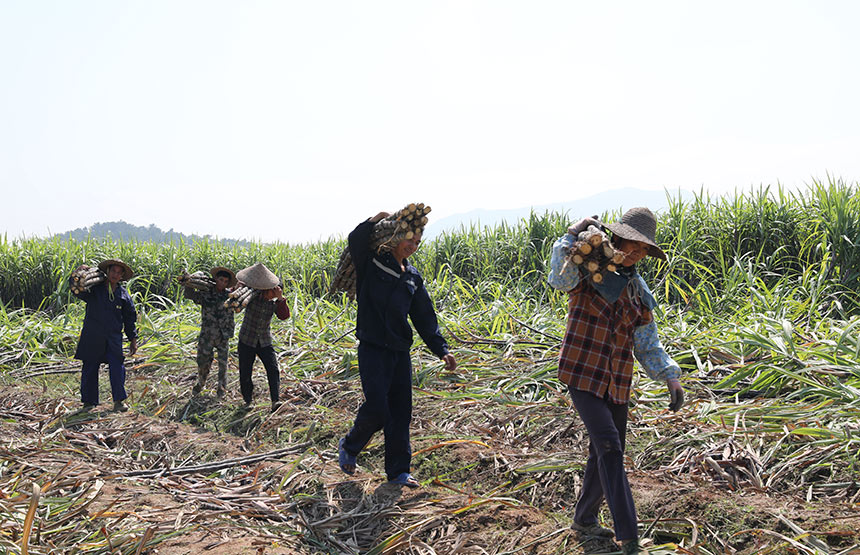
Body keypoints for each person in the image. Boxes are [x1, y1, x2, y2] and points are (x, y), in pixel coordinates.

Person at [548, 207, 685, 554]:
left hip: (618, 381)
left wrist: (670, 378)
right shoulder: (586, 269)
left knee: (602, 452)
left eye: (642, 249)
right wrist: (569, 234)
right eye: (631, 244)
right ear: (616, 239)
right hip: (582, 372)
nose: (635, 253)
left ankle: (584, 519)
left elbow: (647, 342)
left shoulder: (637, 291)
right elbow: (558, 279)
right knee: (610, 445)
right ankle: (629, 534)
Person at [338, 212, 457, 488]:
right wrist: (373, 219)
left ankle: (398, 471)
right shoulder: (373, 264)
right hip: (373, 348)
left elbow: (424, 317)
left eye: (417, 242)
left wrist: (441, 349)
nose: (412, 246)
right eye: (409, 240)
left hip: (399, 352)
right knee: (378, 408)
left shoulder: (412, 276)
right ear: (395, 238)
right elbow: (356, 240)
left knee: (401, 412)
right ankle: (350, 445)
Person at [71, 258, 138, 412]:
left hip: (113, 338)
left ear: (121, 276)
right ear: (107, 272)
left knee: (117, 367)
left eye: (118, 273)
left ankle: (119, 401)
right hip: (92, 335)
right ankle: (88, 403)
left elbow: (130, 319)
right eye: (113, 271)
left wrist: (133, 339)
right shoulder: (94, 289)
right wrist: (78, 273)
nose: (115, 275)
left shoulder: (123, 295)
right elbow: (76, 290)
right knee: (90, 367)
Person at [235, 263, 290, 412]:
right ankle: (248, 401)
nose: (274, 293)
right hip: (247, 340)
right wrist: (238, 288)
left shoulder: (275, 303)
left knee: (273, 369)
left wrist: (280, 299)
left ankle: (275, 400)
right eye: (274, 290)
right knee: (245, 371)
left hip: (264, 341)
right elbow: (237, 306)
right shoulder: (253, 296)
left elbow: (284, 316)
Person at [184, 267, 237, 400]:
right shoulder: (206, 293)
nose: (223, 283)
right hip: (207, 334)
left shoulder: (229, 296)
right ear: (215, 280)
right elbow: (189, 295)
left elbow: (238, 308)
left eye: (226, 281)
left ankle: (221, 389)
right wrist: (188, 281)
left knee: (223, 364)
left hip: (223, 335)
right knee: (203, 361)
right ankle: (201, 383)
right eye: (220, 280)